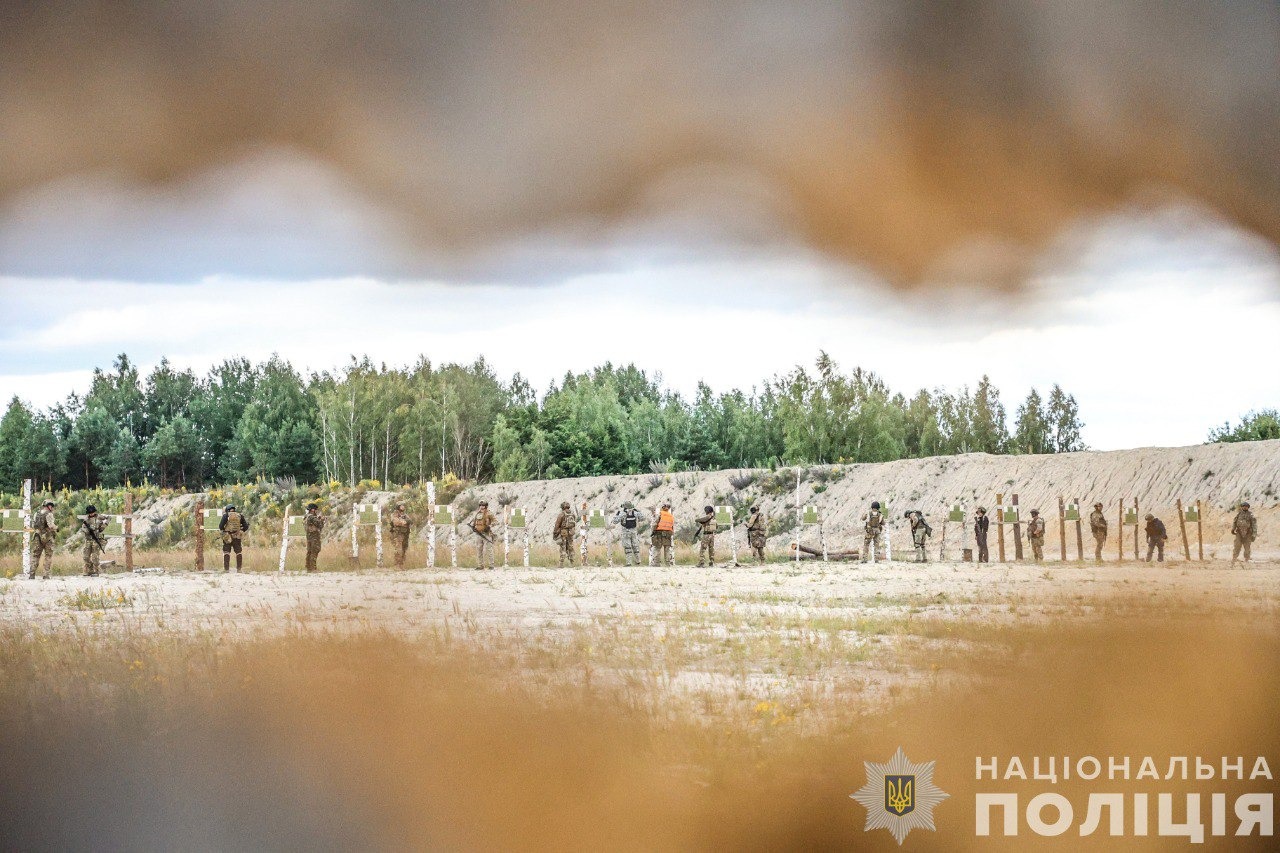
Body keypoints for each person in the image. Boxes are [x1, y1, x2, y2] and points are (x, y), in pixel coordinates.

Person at [29, 499, 56, 579]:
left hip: (37, 536)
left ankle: (32, 574)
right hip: (47, 537)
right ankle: (46, 575)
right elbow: (51, 526)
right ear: (48, 506)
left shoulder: (36, 514)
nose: (52, 507)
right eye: (51, 506)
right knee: (48, 556)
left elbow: (33, 525)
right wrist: (56, 528)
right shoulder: (49, 514)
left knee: (35, 556)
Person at [219, 503, 250, 572]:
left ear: (227, 510)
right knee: (238, 552)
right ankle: (239, 569)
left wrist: (224, 530)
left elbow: (220, 526)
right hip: (237, 536)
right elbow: (246, 526)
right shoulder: (240, 516)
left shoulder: (226, 515)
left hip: (227, 536)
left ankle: (226, 569)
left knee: (226, 552)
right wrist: (241, 530)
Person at [612, 502, 643, 566]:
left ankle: (629, 563)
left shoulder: (623, 513)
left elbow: (615, 521)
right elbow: (642, 518)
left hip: (626, 532)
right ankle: (638, 561)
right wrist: (638, 512)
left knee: (628, 548)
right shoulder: (635, 512)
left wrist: (616, 515)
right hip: (634, 532)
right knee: (635, 546)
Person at [81, 505, 108, 577]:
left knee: (95, 557)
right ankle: (89, 570)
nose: (91, 514)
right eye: (90, 513)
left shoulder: (99, 517)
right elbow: (83, 528)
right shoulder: (86, 519)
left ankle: (97, 571)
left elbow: (108, 519)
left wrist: (104, 525)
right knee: (86, 557)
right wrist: (88, 531)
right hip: (88, 540)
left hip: (96, 539)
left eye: (92, 512)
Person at [470, 500, 497, 570]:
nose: (482, 507)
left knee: (489, 550)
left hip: (486, 534)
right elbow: (474, 521)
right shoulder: (477, 514)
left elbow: (495, 521)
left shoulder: (489, 513)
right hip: (478, 534)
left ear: (486, 506)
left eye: (483, 505)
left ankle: (491, 565)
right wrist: (473, 527)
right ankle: (480, 565)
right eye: (481, 505)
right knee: (479, 550)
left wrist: (489, 526)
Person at [1231, 501, 1257, 565]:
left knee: (1247, 547)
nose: (1245, 507)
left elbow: (1254, 525)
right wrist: (1233, 529)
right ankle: (1234, 559)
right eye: (1243, 506)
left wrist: (1254, 534)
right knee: (1237, 546)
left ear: (1248, 507)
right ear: (1241, 507)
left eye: (1246, 506)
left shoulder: (1251, 515)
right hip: (1239, 533)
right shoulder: (1238, 514)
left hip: (1248, 533)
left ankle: (1246, 560)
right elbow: (1234, 522)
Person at [553, 501, 577, 567]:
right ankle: (572, 563)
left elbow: (557, 524)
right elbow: (574, 523)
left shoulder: (562, 514)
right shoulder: (572, 514)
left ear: (562, 507)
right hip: (571, 532)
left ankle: (561, 563)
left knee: (563, 547)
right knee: (570, 547)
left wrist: (555, 533)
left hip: (563, 532)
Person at [651, 502, 675, 567]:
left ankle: (656, 563)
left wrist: (653, 531)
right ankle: (667, 564)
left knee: (657, 548)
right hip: (668, 534)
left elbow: (655, 523)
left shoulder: (659, 514)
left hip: (659, 533)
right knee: (667, 549)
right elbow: (672, 526)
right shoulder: (671, 516)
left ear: (662, 508)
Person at [388, 503, 411, 568]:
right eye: (401, 506)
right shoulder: (394, 514)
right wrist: (403, 522)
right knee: (398, 549)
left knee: (404, 548)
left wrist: (405, 521)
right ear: (398, 507)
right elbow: (396, 522)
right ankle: (397, 565)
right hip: (397, 534)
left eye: (403, 505)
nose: (403, 507)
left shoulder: (404, 514)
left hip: (405, 533)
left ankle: (402, 564)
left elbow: (410, 521)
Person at [304, 503, 325, 572]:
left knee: (309, 552)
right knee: (314, 551)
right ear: (313, 510)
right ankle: (313, 568)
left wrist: (318, 518)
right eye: (316, 510)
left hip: (309, 537)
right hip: (314, 537)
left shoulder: (306, 516)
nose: (316, 511)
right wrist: (322, 520)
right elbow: (320, 525)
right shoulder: (312, 517)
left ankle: (308, 568)